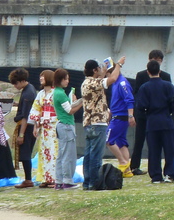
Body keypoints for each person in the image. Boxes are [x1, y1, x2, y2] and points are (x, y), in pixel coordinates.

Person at [81, 57, 123, 190]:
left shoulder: (86, 82)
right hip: (98, 123)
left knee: (88, 155)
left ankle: (87, 182)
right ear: (94, 70)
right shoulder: (95, 83)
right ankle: (95, 183)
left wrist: (103, 72)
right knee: (96, 155)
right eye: (98, 68)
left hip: (88, 122)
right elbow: (113, 79)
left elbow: (101, 81)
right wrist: (119, 65)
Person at [135, 59, 174, 184]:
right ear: (159, 71)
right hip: (166, 120)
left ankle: (156, 175)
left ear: (148, 72)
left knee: (154, 150)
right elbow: (173, 103)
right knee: (169, 149)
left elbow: (140, 106)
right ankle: (170, 174)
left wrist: (147, 112)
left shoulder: (144, 87)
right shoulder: (168, 86)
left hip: (152, 121)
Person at [131, 50, 172, 176]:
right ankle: (134, 165)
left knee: (159, 143)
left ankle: (157, 169)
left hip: (156, 114)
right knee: (139, 140)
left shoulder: (166, 76)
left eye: (158, 60)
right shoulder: (141, 75)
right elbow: (136, 94)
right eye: (154, 59)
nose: (156, 61)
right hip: (143, 114)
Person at [52, 68, 83, 190]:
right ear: (61, 80)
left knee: (61, 154)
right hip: (66, 125)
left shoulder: (57, 92)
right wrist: (81, 103)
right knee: (68, 155)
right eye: (66, 79)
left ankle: (59, 181)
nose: (68, 81)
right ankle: (67, 181)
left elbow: (68, 106)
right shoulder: (60, 93)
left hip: (61, 125)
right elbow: (70, 110)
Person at [27, 70, 58, 188]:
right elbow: (36, 109)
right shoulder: (40, 93)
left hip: (53, 126)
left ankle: (54, 178)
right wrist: (35, 125)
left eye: (43, 77)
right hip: (44, 128)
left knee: (53, 152)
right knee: (44, 152)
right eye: (40, 77)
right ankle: (46, 177)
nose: (40, 79)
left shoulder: (55, 93)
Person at [106, 59, 136, 178]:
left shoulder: (122, 83)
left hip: (120, 116)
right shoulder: (116, 83)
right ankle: (127, 169)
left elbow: (129, 99)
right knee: (121, 142)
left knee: (108, 140)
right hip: (117, 114)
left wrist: (130, 115)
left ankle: (122, 162)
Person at [9, 68, 37, 189]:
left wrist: (21, 134)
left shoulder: (28, 93)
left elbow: (26, 116)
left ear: (22, 81)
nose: (15, 85)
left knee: (25, 154)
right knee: (26, 153)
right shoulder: (29, 89)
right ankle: (28, 179)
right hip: (29, 126)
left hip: (27, 127)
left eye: (15, 83)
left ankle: (28, 179)